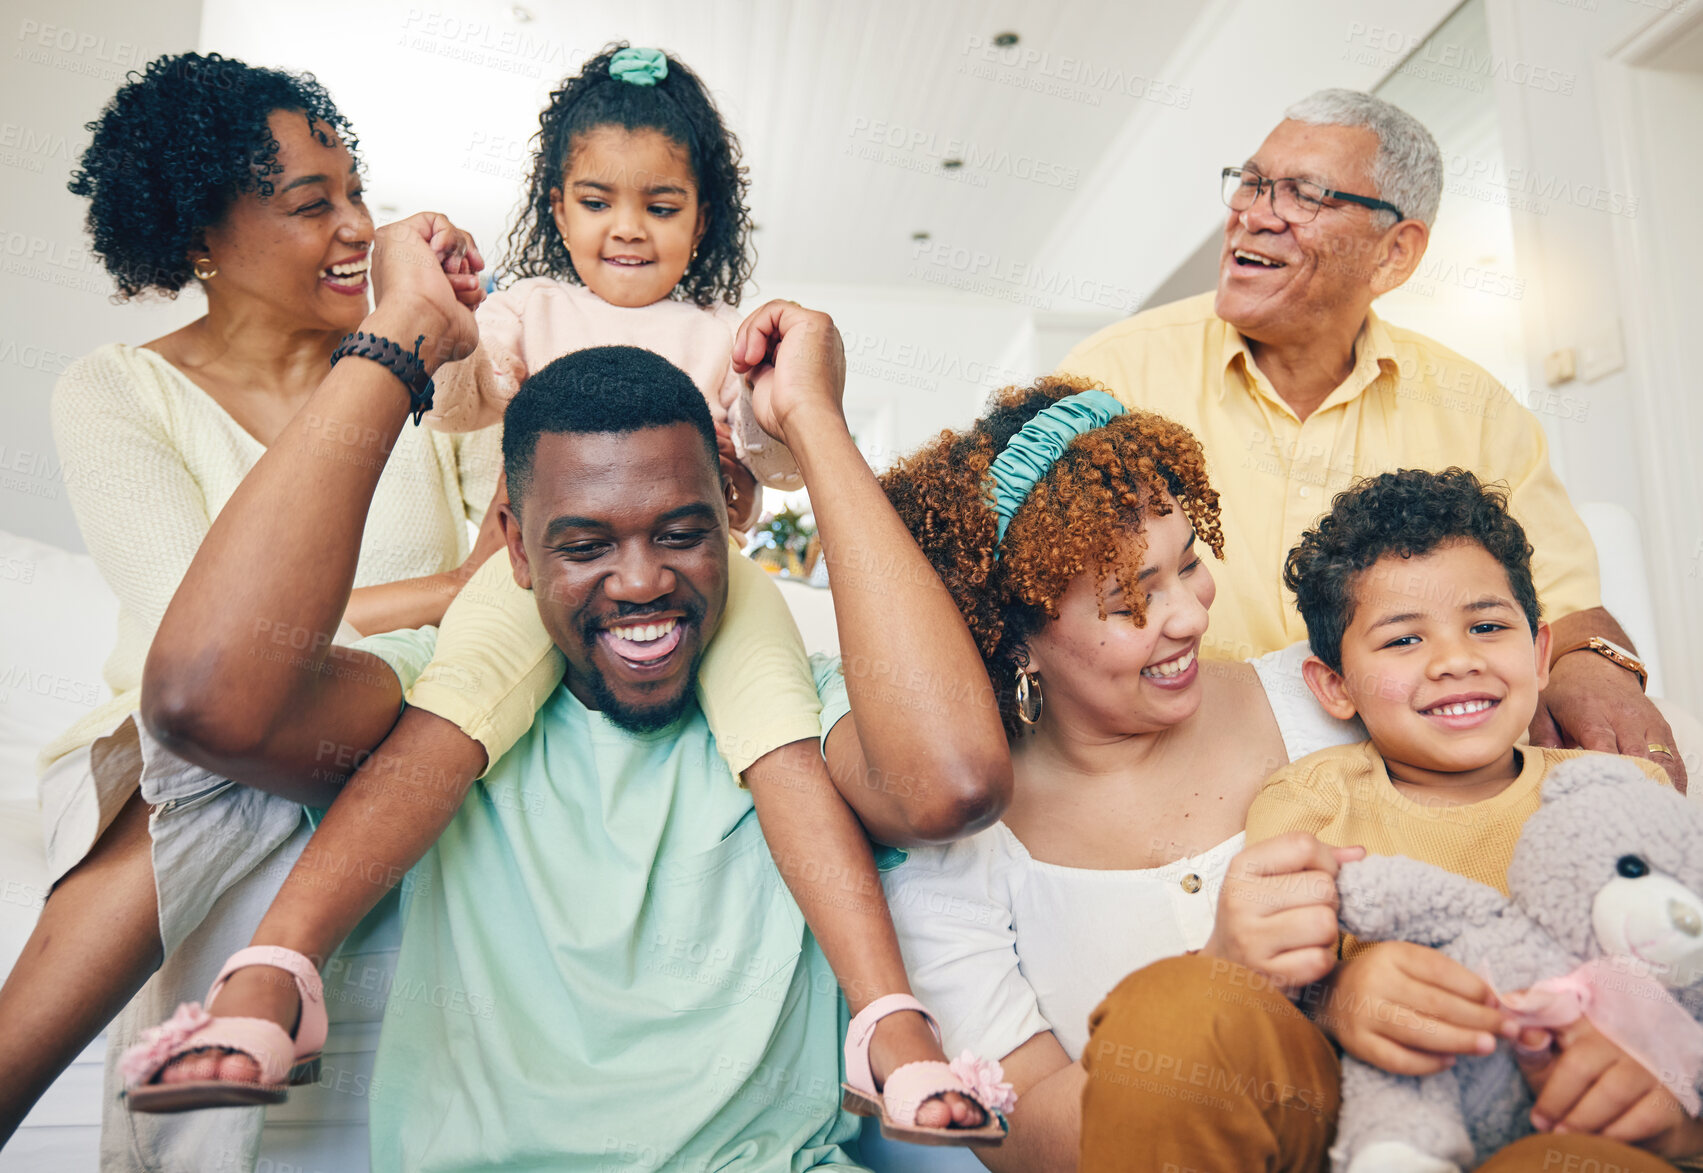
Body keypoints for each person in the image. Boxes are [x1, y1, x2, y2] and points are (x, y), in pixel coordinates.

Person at [122, 43, 1009, 1141]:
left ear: (704, 218)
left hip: (720, 581)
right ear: (557, 204)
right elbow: (455, 402)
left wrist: (807, 412)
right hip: (508, 585)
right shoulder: (525, 311)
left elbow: (771, 465)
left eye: (660, 205)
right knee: (453, 713)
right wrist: (420, 316)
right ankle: (275, 972)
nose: (626, 230)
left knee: (776, 739)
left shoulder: (714, 338)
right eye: (596, 201)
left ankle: (887, 1023)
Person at [0, 53, 502, 1167]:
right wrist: (443, 589)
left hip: (413, 700)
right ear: (197, 240)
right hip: (205, 727)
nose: (356, 229)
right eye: (309, 204)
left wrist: (437, 342)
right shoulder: (117, 391)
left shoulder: (436, 382)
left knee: (224, 720)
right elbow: (207, 634)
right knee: (209, 720)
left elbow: (505, 587)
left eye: (357, 192)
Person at [1059, 88, 1685, 791]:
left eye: (1302, 195)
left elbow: (1562, 608)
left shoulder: (1472, 403)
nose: (1252, 213)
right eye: (1252, 182)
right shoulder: (1106, 380)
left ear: (1394, 253)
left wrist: (1596, 670)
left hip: (1415, 781)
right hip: (1171, 772)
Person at [1242, 468, 1688, 1168]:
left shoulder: (1620, 790)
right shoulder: (1312, 801)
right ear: (1333, 686)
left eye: (1485, 626)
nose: (1455, 659)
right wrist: (1341, 995)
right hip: (1406, 1131)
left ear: (1539, 655)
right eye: (1402, 640)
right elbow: (1270, 983)